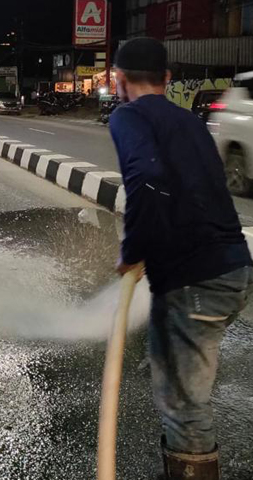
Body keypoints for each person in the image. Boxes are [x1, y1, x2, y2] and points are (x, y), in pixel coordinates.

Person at [110, 37, 253, 480]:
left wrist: (133, 251)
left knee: (183, 402)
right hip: (236, 269)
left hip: (196, 281)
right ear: (167, 79)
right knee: (180, 387)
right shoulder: (189, 122)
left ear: (119, 79)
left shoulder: (128, 115)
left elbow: (148, 177)